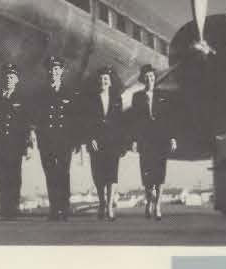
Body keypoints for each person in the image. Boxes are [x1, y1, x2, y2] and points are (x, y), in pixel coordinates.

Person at [0, 63, 36, 219]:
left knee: (15, 178)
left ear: (17, 80)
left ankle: (13, 209)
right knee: (2, 178)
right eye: (7, 77)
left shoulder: (21, 100)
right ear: (2, 79)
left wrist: (29, 146)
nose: (9, 80)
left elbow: (27, 125)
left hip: (15, 145)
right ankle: (5, 210)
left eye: (12, 77)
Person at [31, 56, 77, 221]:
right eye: (51, 69)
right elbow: (36, 117)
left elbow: (74, 119)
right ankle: (54, 208)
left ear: (62, 72)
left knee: (63, 173)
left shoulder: (69, 92)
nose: (53, 72)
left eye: (57, 69)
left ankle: (64, 209)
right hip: (47, 141)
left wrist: (75, 141)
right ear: (47, 72)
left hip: (64, 141)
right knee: (50, 174)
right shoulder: (41, 93)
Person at [130, 64, 177, 220]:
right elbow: (134, 121)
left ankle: (157, 206)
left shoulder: (163, 96)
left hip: (160, 139)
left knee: (160, 174)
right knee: (147, 174)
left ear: (154, 79)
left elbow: (169, 119)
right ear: (143, 79)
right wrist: (134, 140)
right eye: (147, 77)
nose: (150, 79)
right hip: (145, 140)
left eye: (152, 76)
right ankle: (149, 201)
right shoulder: (137, 97)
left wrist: (172, 137)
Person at [79, 66, 124, 221]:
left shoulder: (117, 99)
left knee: (112, 175)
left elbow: (121, 122)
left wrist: (122, 143)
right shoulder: (90, 100)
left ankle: (110, 206)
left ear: (110, 82)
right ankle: (102, 203)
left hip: (113, 141)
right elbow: (85, 122)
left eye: (106, 79)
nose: (103, 81)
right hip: (96, 141)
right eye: (101, 79)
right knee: (98, 175)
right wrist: (90, 139)